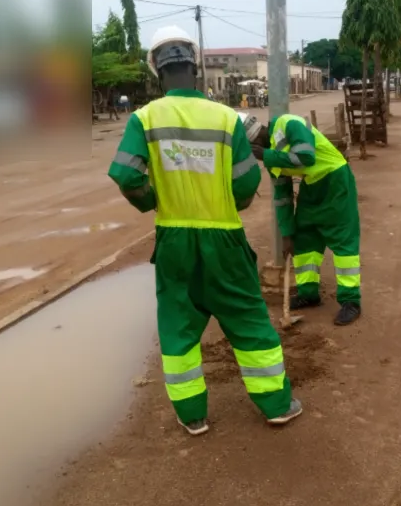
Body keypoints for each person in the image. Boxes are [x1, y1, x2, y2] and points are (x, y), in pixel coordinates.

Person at [107, 25, 302, 436]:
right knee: (248, 319)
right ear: (195, 67)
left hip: (174, 239)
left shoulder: (143, 119)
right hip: (224, 237)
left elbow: (126, 175)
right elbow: (247, 182)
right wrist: (231, 204)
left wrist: (152, 199)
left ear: (157, 71)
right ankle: (276, 405)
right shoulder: (226, 118)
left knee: (178, 327)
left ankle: (193, 415)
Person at [249, 114, 362, 326]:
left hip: (335, 180)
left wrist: (267, 155)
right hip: (311, 187)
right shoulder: (271, 158)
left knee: (342, 240)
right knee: (304, 239)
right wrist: (287, 233)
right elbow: (282, 197)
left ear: (256, 140)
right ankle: (308, 293)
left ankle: (351, 301)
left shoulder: (288, 123)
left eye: (251, 149)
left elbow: (306, 157)